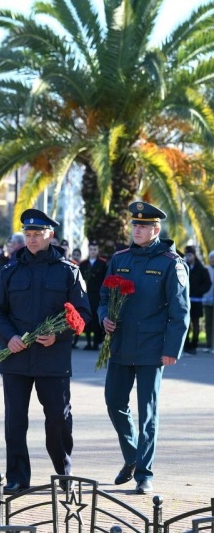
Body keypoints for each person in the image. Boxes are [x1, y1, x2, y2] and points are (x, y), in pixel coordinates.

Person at [0, 208, 92, 495]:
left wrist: (58, 335)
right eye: (28, 235)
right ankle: (18, 477)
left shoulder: (69, 271)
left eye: (38, 234)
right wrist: (8, 337)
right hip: (16, 358)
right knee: (15, 421)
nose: (31, 240)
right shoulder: (10, 271)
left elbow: (83, 314)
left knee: (58, 418)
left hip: (52, 359)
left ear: (51, 235)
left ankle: (63, 471)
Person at [99, 201, 190, 495]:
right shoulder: (119, 258)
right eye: (134, 225)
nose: (137, 230)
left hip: (152, 348)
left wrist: (171, 349)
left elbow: (180, 311)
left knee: (147, 412)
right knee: (114, 402)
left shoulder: (169, 262)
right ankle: (133, 457)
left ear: (156, 229)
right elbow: (103, 296)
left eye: (143, 226)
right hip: (121, 344)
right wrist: (104, 317)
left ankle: (144, 473)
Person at [78, 240, 107, 350]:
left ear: (98, 250)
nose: (93, 251)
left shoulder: (102, 264)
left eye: (95, 249)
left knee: (96, 319)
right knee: (87, 318)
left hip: (97, 295)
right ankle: (89, 343)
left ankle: (95, 343)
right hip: (87, 294)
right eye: (91, 249)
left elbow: (105, 279)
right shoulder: (83, 264)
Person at [184, 245, 211, 355]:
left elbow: (208, 283)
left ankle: (194, 345)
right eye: (186, 255)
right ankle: (186, 345)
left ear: (194, 255)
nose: (188, 257)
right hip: (185, 301)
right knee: (186, 323)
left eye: (190, 255)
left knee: (195, 324)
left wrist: (200, 291)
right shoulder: (183, 267)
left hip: (197, 301)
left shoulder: (201, 268)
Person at [204, 251, 214, 353]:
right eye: (212, 258)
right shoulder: (206, 269)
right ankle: (208, 343)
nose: (213, 260)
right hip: (207, 299)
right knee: (208, 323)